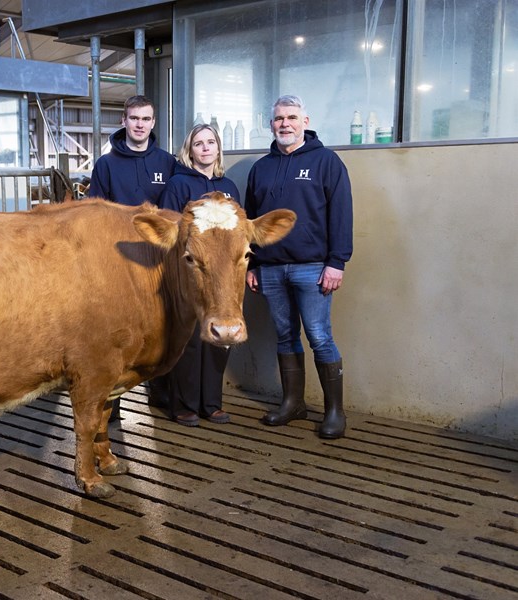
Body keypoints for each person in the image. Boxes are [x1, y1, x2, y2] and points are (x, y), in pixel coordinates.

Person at [244, 95, 353, 439]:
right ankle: (293, 403)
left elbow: (341, 214)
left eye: (292, 117)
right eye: (279, 118)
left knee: (319, 337)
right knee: (285, 336)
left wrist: (336, 263)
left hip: (313, 267)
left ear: (305, 121)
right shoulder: (261, 168)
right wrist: (252, 264)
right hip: (271, 268)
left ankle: (335, 412)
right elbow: (251, 223)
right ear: (271, 124)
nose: (285, 124)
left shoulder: (326, 161)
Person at [88, 95, 177, 423]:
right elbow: (94, 213)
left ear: (153, 123)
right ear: (124, 121)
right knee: (116, 331)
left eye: (146, 119)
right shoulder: (106, 164)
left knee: (161, 325)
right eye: (134, 118)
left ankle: (160, 393)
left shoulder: (168, 163)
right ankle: (111, 404)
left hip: (158, 261)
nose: (140, 124)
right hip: (118, 260)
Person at [160, 123, 240, 426]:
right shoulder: (178, 185)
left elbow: (237, 234)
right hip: (191, 275)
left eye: (210, 142)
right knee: (190, 340)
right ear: (189, 151)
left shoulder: (229, 187)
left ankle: (211, 403)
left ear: (218, 148)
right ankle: (184, 405)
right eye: (198, 143)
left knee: (219, 340)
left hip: (222, 278)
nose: (205, 148)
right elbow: (169, 232)